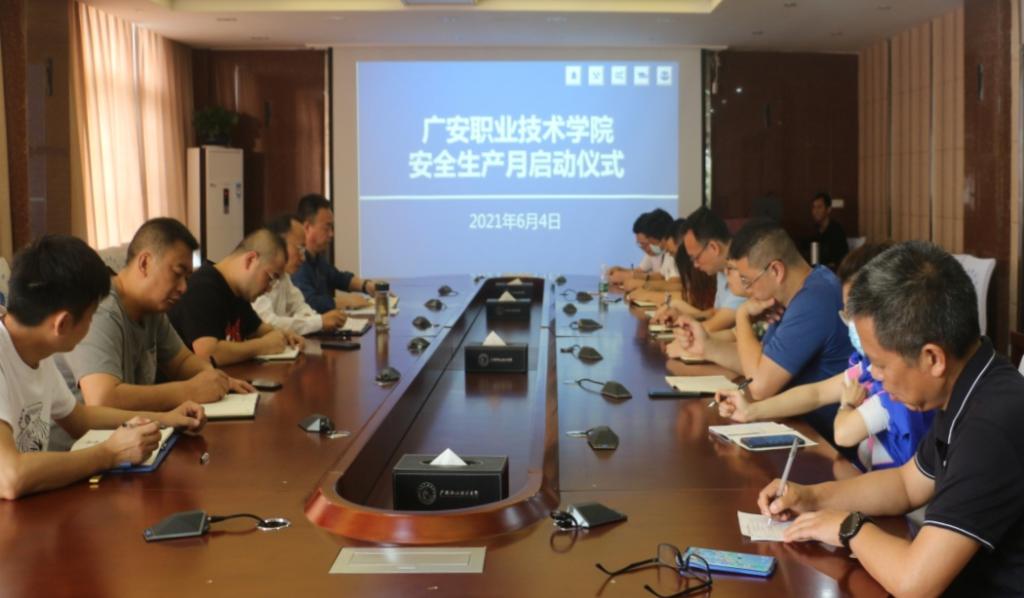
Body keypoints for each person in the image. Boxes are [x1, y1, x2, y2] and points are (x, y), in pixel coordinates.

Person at [757, 241, 1024, 596]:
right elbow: (905, 484)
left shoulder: (989, 426)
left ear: (932, 358)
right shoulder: (972, 382)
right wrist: (810, 497)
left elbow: (915, 583)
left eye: (880, 364)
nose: (874, 376)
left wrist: (849, 527)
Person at [0, 235, 205, 499]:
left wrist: (167, 419)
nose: (92, 325)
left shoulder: (37, 350)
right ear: (63, 324)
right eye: (90, 316)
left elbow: (81, 419)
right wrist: (109, 453)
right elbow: (10, 477)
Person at [716, 243, 934, 470]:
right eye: (846, 313)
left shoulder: (894, 384)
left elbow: (844, 434)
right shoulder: (869, 367)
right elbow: (816, 393)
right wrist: (750, 411)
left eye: (855, 313)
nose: (850, 322)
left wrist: (847, 405)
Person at [675, 218, 851, 440]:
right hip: (800, 424)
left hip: (825, 437)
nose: (747, 291)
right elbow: (760, 364)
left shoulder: (814, 300)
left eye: (747, 281)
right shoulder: (799, 291)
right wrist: (707, 347)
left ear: (776, 270)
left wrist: (742, 316)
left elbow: (758, 386)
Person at [63, 218, 253, 412]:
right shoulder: (100, 309)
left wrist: (219, 381)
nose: (183, 288)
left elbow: (182, 363)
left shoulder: (151, 310)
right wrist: (190, 390)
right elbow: (102, 399)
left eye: (187, 278)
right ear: (145, 263)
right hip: (81, 433)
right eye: (177, 273)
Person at [168, 229, 304, 366]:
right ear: (251, 260)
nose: (269, 288)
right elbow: (208, 353)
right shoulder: (202, 288)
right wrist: (262, 345)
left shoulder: (237, 291)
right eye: (271, 278)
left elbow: (258, 329)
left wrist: (284, 335)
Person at [252, 213, 347, 335]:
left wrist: (318, 321)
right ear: (279, 243)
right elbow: (267, 323)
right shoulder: (258, 277)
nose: (303, 258)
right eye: (300, 248)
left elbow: (300, 307)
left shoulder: (284, 277)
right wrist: (319, 322)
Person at [659, 206, 746, 333]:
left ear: (713, 248)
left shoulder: (742, 268)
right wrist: (683, 316)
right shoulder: (721, 268)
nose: (695, 265)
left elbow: (716, 325)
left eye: (696, 258)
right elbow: (716, 312)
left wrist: (681, 326)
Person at [292, 194, 383, 312]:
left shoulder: (317, 258)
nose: (331, 234)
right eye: (326, 228)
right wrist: (344, 301)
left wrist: (367, 286)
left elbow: (338, 278)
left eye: (332, 228)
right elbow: (308, 303)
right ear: (307, 227)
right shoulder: (297, 263)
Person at [608, 212, 664, 285]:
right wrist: (620, 269)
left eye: (645, 244)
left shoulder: (669, 253)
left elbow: (663, 278)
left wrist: (632, 276)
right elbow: (640, 271)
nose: (645, 249)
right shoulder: (652, 253)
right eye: (640, 244)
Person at [809, 192, 848, 270]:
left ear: (828, 209)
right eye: (814, 207)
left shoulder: (836, 231)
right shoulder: (814, 231)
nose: (815, 211)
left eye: (819, 207)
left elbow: (840, 260)